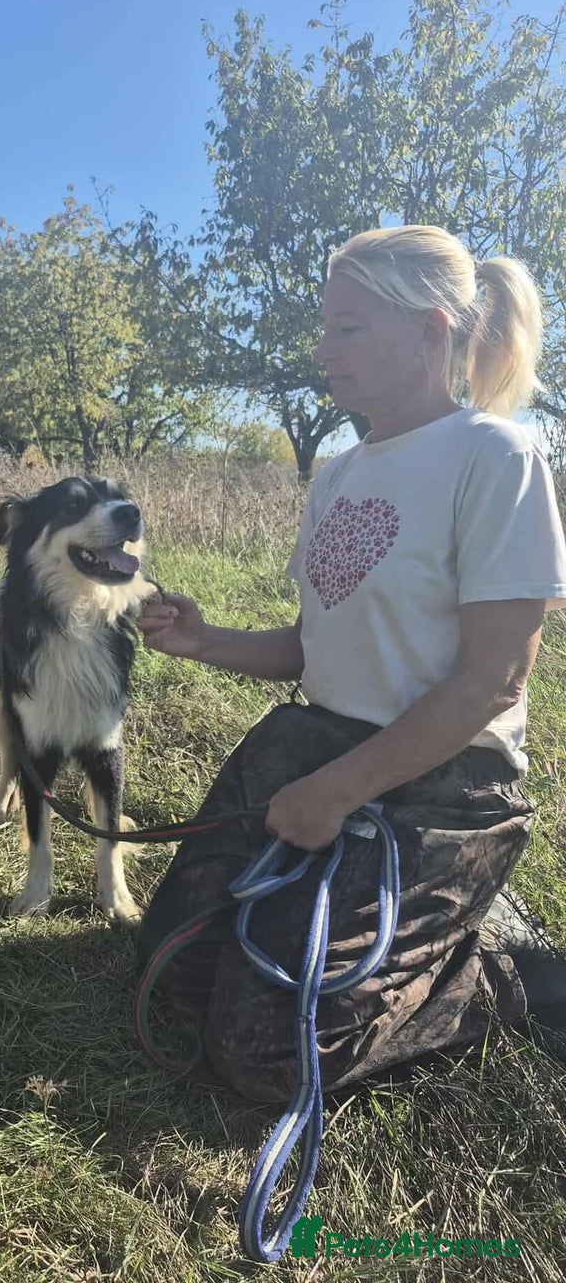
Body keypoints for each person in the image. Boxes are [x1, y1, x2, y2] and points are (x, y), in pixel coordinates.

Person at [136, 224, 566, 1101]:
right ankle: (382, 928)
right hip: (312, 743)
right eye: (325, 328)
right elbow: (313, 646)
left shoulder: (497, 458)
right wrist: (206, 640)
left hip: (444, 781)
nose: (322, 350)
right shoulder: (336, 474)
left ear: (429, 330)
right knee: (170, 972)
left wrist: (338, 792)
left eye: (348, 327)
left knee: (267, 1053)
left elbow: (494, 682)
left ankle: (495, 967)